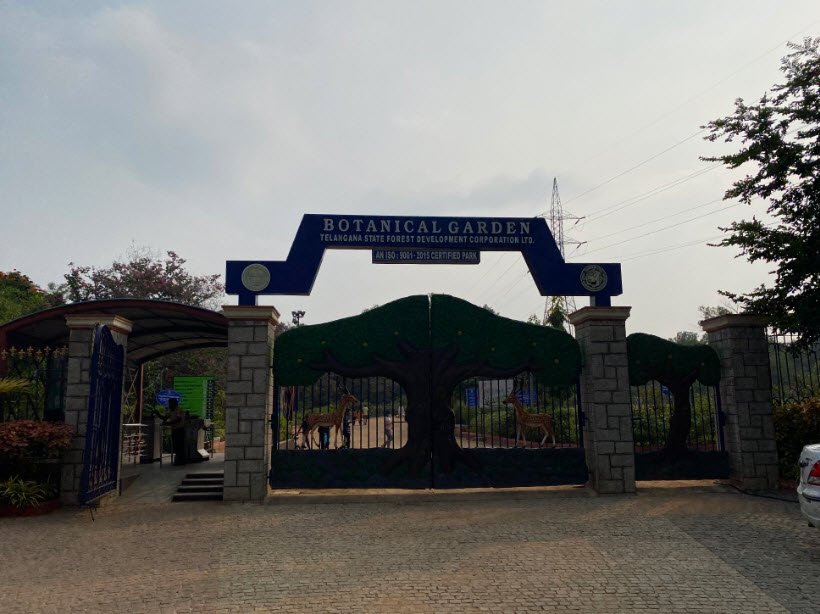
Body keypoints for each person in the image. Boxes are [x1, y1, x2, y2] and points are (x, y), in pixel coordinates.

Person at [164, 399, 186, 465]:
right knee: (176, 445)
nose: (169, 405)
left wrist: (170, 423)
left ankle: (181, 460)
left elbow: (179, 419)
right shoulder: (171, 410)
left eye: (170, 403)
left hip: (180, 429)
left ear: (173, 403)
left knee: (180, 445)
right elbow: (166, 417)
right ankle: (178, 460)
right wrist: (158, 414)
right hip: (174, 430)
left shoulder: (178, 409)